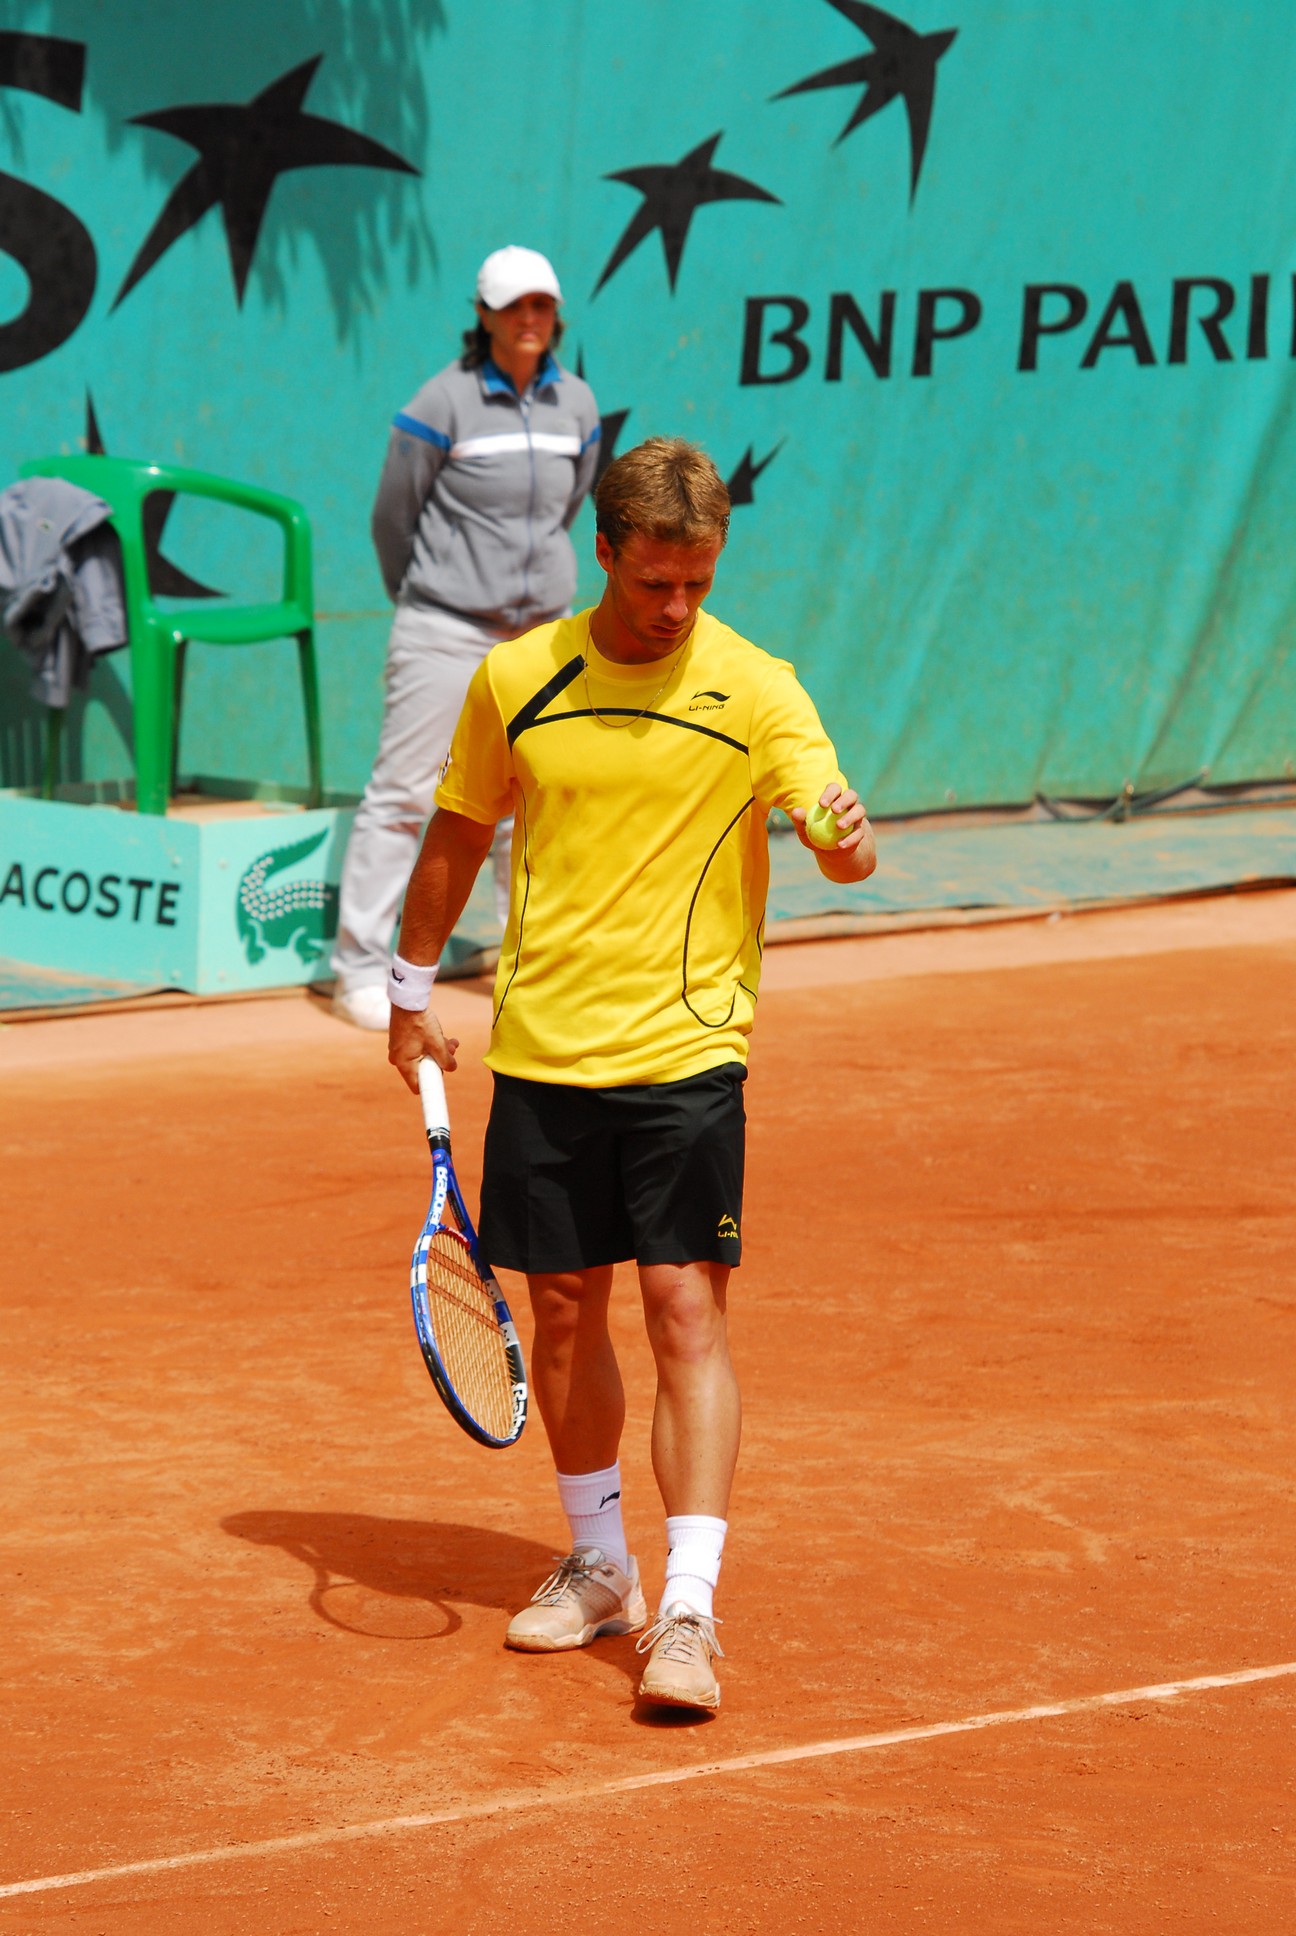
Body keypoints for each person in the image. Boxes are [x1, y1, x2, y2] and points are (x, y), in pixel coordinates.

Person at [386, 438, 875, 1712]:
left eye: (697, 584)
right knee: (560, 1312)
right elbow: (457, 832)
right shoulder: (516, 678)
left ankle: (691, 1610)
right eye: (656, 582)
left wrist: (840, 832)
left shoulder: (757, 685)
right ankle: (600, 1563)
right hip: (545, 1050)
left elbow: (829, 821)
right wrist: (405, 991)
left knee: (683, 1309)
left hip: (687, 1055)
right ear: (604, 553)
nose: (675, 609)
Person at [330, 245, 601, 1028]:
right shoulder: (439, 403)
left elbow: (569, 505)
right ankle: (358, 968)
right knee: (405, 796)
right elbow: (393, 517)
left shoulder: (576, 405)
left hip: (541, 639)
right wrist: (430, 598)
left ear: (556, 316)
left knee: (529, 799)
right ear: (482, 316)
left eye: (541, 306)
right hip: (443, 629)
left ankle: (530, 961)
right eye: (513, 307)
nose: (529, 320)